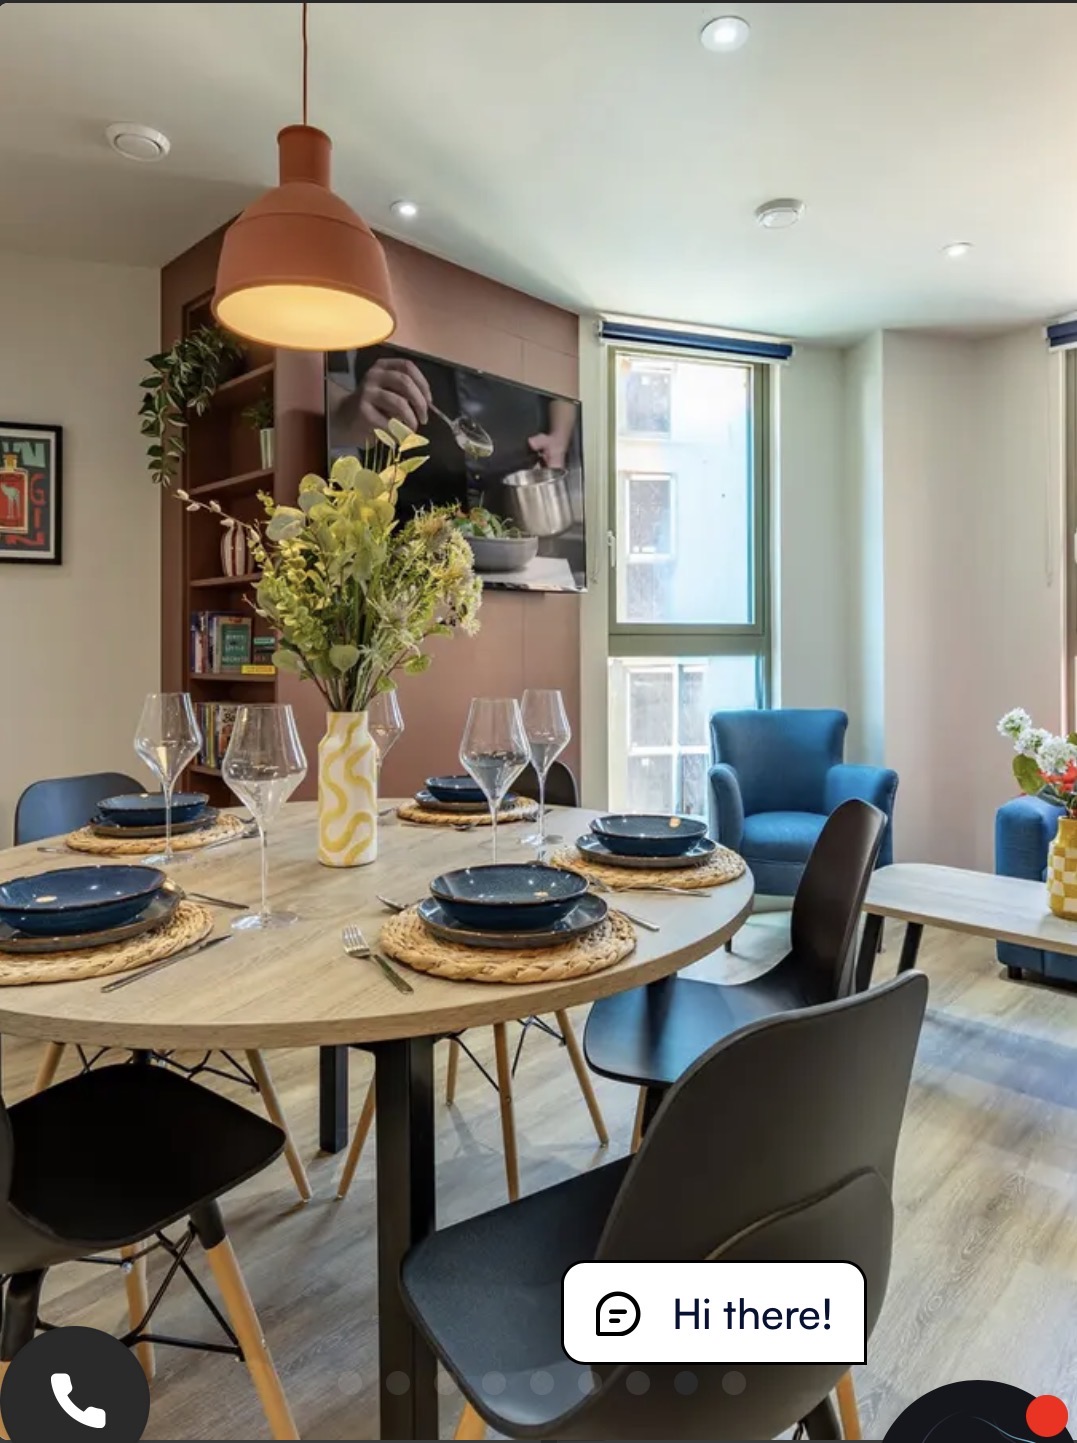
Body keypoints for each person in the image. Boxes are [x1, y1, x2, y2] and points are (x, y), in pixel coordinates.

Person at [327, 348, 580, 517]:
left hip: (520, 500)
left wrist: (559, 437)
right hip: (404, 510)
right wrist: (341, 412)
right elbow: (311, 372)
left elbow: (561, 362)